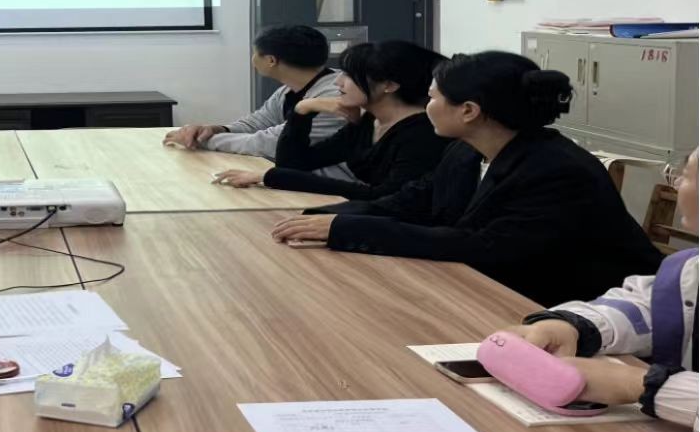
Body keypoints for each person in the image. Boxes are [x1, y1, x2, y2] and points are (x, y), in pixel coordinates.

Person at [270, 51, 664, 306]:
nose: (427, 106)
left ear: (469, 111)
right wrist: (326, 218)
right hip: (500, 290)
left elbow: (484, 246)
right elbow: (413, 200)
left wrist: (347, 229)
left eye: (433, 98)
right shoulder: (466, 150)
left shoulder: (557, 170)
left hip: (581, 307)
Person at [509, 149, 697, 432]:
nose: (677, 184)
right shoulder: (688, 269)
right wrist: (573, 326)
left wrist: (640, 385)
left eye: (686, 175)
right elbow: (648, 309)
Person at [212, 41, 451, 199]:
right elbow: (294, 163)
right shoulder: (370, 121)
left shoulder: (421, 133)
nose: (338, 82)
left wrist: (270, 177)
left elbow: (384, 196)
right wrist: (303, 110)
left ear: (389, 85)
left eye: (349, 76)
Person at [163, 25, 351, 176]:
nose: (252, 59)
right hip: (298, 177)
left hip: (333, 189)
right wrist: (215, 129)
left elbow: (268, 144)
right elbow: (257, 123)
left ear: (271, 60)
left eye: (255, 53)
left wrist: (202, 141)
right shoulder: (288, 89)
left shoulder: (335, 94)